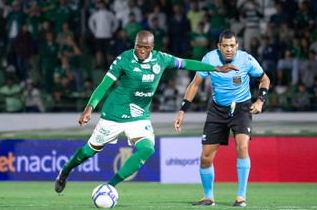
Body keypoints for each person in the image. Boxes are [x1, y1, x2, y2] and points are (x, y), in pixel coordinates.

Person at [54, 30, 237, 193]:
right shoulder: (123, 59)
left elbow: (186, 63)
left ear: (152, 47)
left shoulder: (161, 59)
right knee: (88, 151)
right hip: (114, 115)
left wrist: (216, 68)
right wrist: (89, 108)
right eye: (138, 46)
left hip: (139, 115)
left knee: (148, 149)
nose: (141, 50)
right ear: (134, 45)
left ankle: (110, 186)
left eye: (146, 47)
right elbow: (104, 85)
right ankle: (66, 170)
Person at [173, 29, 270, 207]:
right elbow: (195, 84)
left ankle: (241, 197)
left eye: (232, 46)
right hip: (217, 110)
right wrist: (182, 110)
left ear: (237, 46)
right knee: (205, 158)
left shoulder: (246, 60)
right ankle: (208, 197)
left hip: (242, 108)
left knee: (242, 146)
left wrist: (260, 101)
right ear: (219, 47)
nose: (228, 49)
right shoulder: (209, 59)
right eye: (225, 46)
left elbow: (265, 79)